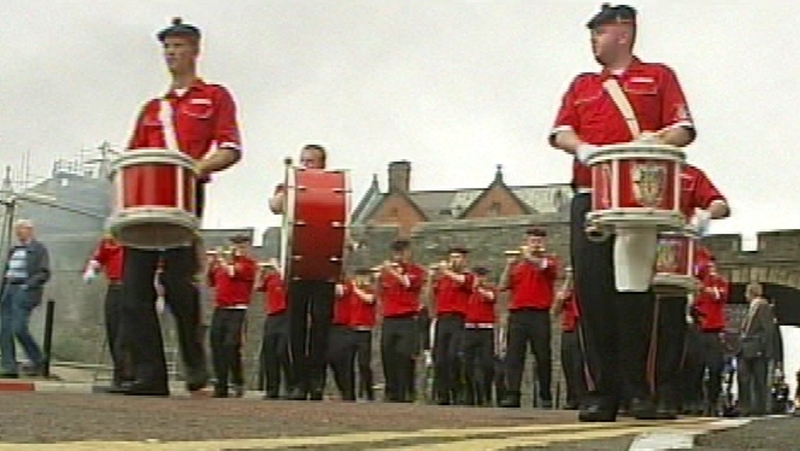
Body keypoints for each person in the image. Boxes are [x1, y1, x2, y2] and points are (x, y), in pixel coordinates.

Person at [549, 3, 696, 421]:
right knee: (592, 296)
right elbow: (560, 130)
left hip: (637, 200)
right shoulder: (581, 84)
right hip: (590, 194)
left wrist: (655, 140)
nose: (593, 42)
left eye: (599, 33)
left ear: (623, 32)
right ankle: (600, 391)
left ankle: (639, 389)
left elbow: (683, 129)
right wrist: (583, 149)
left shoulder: (659, 76)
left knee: (633, 296)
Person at [121, 17, 242, 396]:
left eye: (178, 46)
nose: (171, 53)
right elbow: (133, 156)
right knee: (134, 290)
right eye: (166, 47)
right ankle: (150, 375)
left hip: (186, 196)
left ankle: (195, 366)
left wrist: (196, 169)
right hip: (144, 202)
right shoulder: (152, 109)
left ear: (194, 50)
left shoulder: (215, 96)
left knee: (178, 286)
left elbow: (230, 148)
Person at [652, 164, 730, 418]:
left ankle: (671, 395)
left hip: (674, 259)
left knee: (679, 340)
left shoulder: (688, 174)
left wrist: (705, 216)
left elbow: (720, 204)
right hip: (638, 250)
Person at [268, 144, 335, 401]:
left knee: (320, 325)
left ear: (322, 164)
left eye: (312, 162)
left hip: (324, 265)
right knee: (295, 325)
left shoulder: (331, 186)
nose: (307, 165)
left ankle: (316, 380)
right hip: (297, 264)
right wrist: (287, 187)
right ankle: (296, 382)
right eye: (303, 161)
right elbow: (274, 207)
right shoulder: (289, 184)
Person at [499, 228, 559, 409]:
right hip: (518, 314)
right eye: (533, 241)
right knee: (514, 356)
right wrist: (509, 265)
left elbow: (544, 268)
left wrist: (528, 257)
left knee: (542, 356)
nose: (536, 244)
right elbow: (503, 285)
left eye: (539, 241)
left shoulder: (550, 262)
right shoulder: (518, 265)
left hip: (539, 314)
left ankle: (544, 394)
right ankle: (513, 394)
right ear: (527, 242)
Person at [206, 235, 257, 398]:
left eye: (241, 245)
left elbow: (233, 272)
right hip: (220, 309)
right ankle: (221, 384)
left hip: (237, 310)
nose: (237, 248)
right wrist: (211, 263)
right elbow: (211, 281)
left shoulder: (248, 264)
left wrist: (222, 259)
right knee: (216, 344)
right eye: (234, 245)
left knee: (231, 346)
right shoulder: (223, 264)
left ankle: (236, 381)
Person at [0, 219, 50, 378]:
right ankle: (9, 366)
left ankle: (38, 360)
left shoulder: (39, 249)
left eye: (21, 228)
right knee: (3, 328)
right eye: (17, 229)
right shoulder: (14, 249)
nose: (18, 232)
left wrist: (28, 285)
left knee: (19, 327)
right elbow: (6, 271)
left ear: (30, 230)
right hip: (9, 288)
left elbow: (44, 272)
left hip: (24, 289)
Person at [83, 233, 133, 391]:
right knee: (114, 330)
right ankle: (120, 375)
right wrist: (91, 270)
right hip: (114, 287)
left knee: (126, 335)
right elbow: (99, 258)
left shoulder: (138, 238)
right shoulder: (111, 240)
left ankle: (129, 374)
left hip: (133, 288)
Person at [378, 239, 425, 402]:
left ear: (408, 253)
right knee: (387, 354)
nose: (399, 256)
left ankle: (407, 390)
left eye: (402, 252)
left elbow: (407, 283)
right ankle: (391, 391)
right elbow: (380, 293)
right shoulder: (387, 274)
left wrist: (392, 271)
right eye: (396, 253)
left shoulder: (416, 271)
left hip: (407, 319)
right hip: (390, 319)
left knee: (404, 356)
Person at [429, 247, 474, 405]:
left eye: (458, 257)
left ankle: (458, 390)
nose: (455, 260)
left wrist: (445, 271)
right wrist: (431, 278)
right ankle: (443, 394)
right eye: (452, 257)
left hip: (458, 319)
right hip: (442, 319)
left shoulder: (468, 276)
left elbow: (464, 283)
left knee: (454, 356)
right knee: (440, 358)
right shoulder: (443, 279)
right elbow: (431, 298)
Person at [737, 282, 777, 416]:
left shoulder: (763, 306)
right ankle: (746, 407)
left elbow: (768, 330)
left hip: (757, 349)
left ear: (750, 293)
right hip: (747, 348)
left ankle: (758, 408)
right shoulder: (752, 307)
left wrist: (763, 349)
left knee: (759, 379)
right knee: (744, 378)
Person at [461, 266, 497, 406]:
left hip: (485, 330)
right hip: (469, 330)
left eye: (483, 276)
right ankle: (470, 395)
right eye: (478, 276)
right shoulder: (467, 292)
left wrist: (479, 288)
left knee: (487, 364)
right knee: (467, 365)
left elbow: (491, 297)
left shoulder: (489, 290)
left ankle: (486, 395)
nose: (480, 279)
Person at [255, 259, 290, 400]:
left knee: (282, 351)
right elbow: (257, 287)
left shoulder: (285, 279)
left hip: (286, 315)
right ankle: (272, 388)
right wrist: (261, 272)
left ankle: (290, 386)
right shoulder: (270, 278)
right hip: (272, 316)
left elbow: (287, 283)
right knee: (269, 353)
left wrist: (277, 268)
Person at [552, 266, 585, 410]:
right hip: (568, 327)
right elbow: (555, 311)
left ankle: (583, 396)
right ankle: (572, 398)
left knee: (579, 364)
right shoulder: (566, 292)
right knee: (568, 364)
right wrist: (567, 284)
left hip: (581, 326)